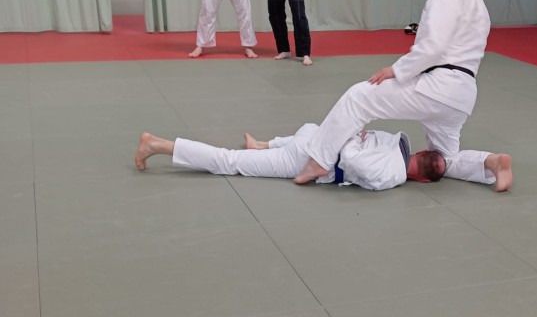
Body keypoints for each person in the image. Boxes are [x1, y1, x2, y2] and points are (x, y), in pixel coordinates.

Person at [294, 0, 512, 192]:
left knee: (358, 97)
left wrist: (396, 71)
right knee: (445, 158)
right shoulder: (479, 4)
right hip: (461, 96)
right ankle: (491, 163)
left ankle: (319, 161)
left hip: (438, 87)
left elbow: (432, 48)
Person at [134, 125, 446, 190]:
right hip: (310, 160)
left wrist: (352, 136)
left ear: (420, 152)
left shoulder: (398, 141)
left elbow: (360, 133)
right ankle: (158, 145)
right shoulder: (394, 174)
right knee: (230, 161)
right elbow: (353, 162)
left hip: (314, 134)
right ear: (421, 178)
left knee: (301, 138)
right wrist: (351, 143)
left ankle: (262, 144)